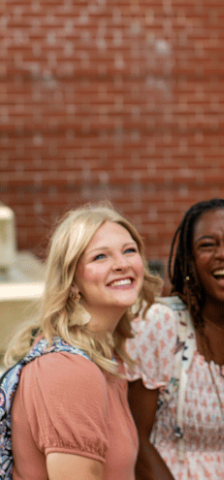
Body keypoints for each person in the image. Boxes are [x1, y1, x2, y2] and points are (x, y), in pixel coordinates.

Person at [4, 204, 162, 480]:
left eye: (129, 250)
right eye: (100, 256)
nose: (122, 264)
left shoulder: (106, 359)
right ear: (72, 281)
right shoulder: (69, 370)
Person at [126, 198, 224, 480]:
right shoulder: (161, 324)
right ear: (189, 261)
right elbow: (134, 437)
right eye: (207, 245)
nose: (223, 253)